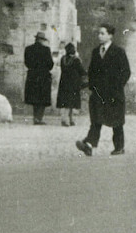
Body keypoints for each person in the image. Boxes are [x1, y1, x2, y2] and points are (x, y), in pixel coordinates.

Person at [76, 24, 130, 156]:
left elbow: (126, 72)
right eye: (99, 33)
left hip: (114, 93)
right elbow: (92, 71)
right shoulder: (96, 52)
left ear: (110, 35)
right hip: (99, 93)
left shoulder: (119, 51)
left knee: (116, 122)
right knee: (96, 120)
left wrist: (117, 86)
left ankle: (119, 147)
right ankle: (89, 144)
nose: (99, 36)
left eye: (102, 33)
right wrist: (92, 87)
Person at [24, 31, 53, 125]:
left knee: (34, 97)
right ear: (42, 40)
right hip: (43, 76)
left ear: (36, 39)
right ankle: (39, 118)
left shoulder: (28, 49)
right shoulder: (46, 50)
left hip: (32, 75)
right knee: (42, 98)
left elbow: (27, 63)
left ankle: (35, 117)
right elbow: (50, 64)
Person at [56, 42, 86, 126]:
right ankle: (68, 119)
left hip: (64, 83)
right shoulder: (76, 60)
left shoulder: (63, 59)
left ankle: (66, 119)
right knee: (71, 102)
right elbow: (81, 71)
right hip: (73, 83)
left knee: (65, 102)